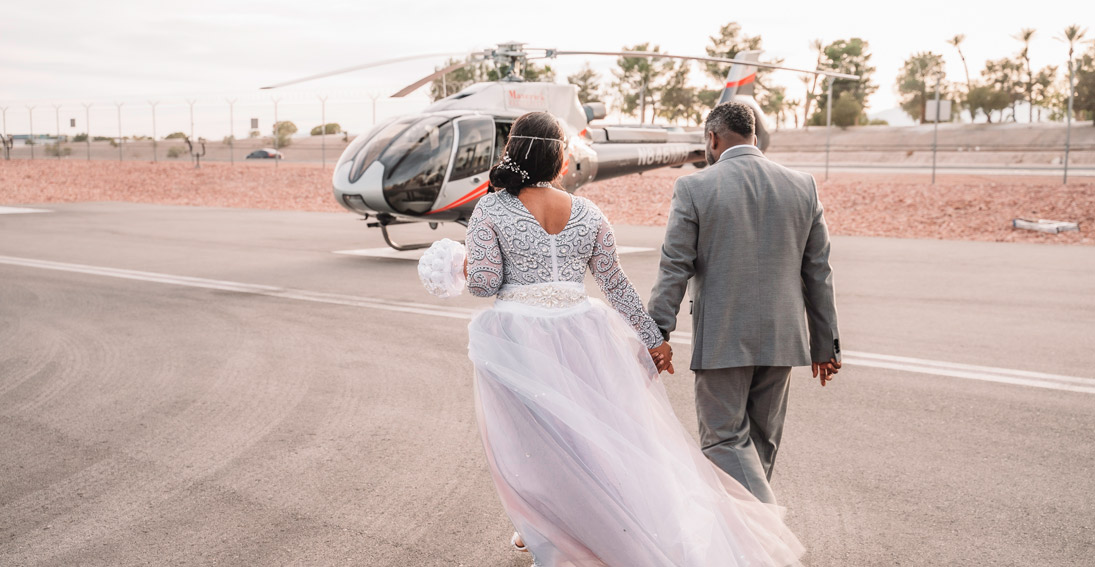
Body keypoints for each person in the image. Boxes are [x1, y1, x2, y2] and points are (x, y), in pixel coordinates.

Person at [464, 111, 803, 566]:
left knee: (531, 443)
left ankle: (541, 526)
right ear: (560, 158)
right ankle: (578, 525)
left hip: (517, 339)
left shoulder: (490, 207)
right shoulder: (587, 212)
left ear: (514, 152)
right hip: (583, 334)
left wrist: (457, 265)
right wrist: (653, 339)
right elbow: (616, 285)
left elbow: (485, 284)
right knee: (589, 440)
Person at [647, 101, 842, 506]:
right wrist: (826, 345)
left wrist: (656, 332)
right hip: (783, 339)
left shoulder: (694, 187)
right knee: (759, 445)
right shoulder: (802, 185)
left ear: (712, 139)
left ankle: (769, 536)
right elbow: (818, 272)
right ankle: (747, 546)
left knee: (722, 442)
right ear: (755, 136)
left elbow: (674, 267)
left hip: (723, 338)